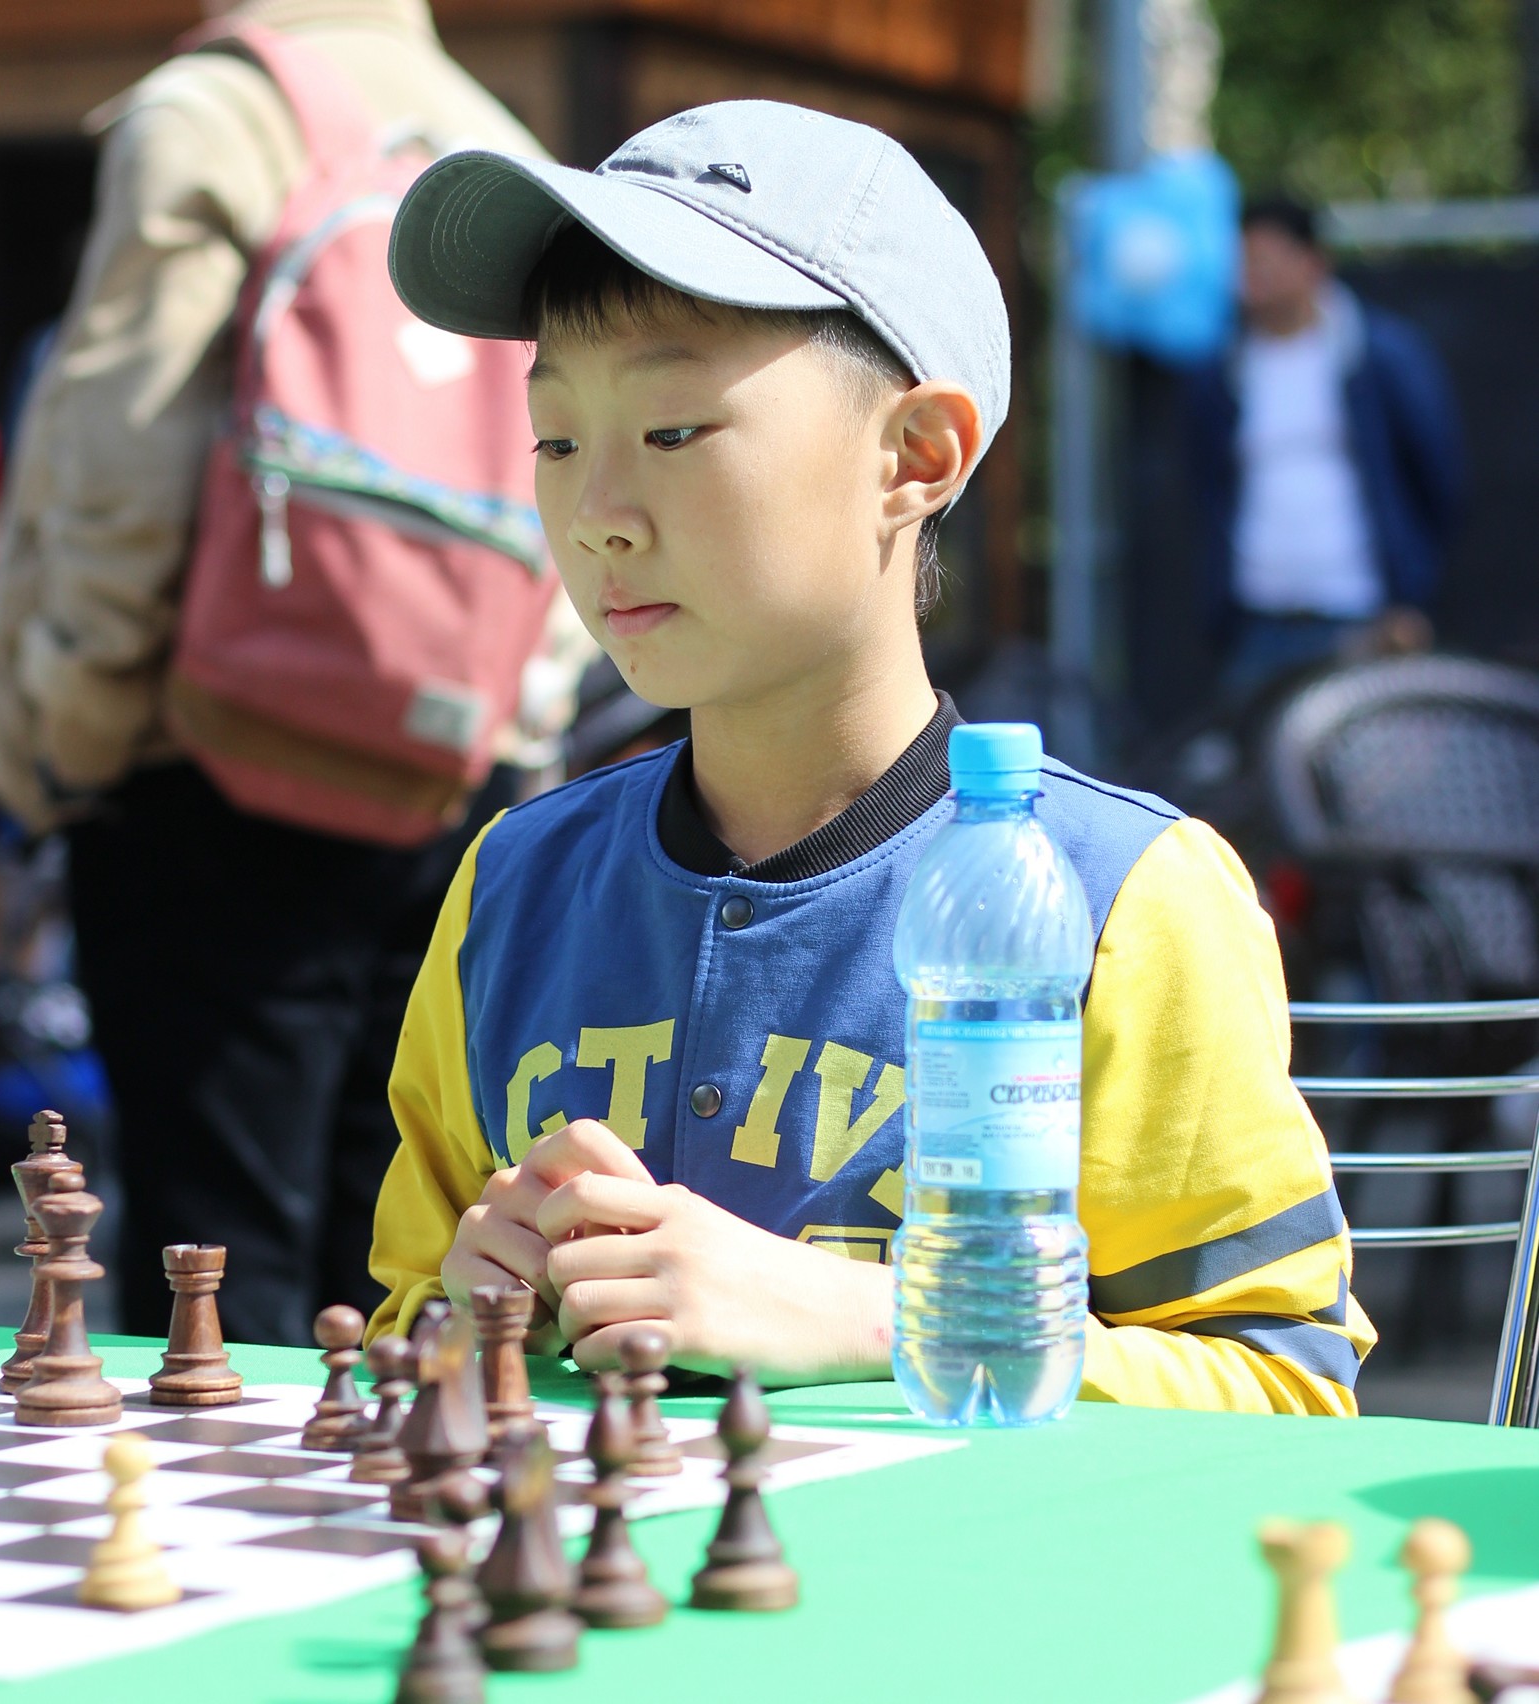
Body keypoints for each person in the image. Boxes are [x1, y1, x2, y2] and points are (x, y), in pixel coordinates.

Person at [366, 101, 1377, 1415]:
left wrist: (891, 1319)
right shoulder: (514, 883)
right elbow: (392, 1319)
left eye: (673, 431)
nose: (597, 515)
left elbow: (1284, 1389)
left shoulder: (1126, 899)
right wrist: (474, 1302)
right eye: (556, 440)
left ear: (915, 455)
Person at [0, 0, 559, 1346]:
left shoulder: (215, 116)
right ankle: (412, 1550)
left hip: (209, 764)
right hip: (447, 774)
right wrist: (507, 736)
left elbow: (120, 471)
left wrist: (73, 738)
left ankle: (227, 1553)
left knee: (211, 1274)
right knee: (396, 1252)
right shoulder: (494, 147)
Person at [1186, 197, 1465, 698]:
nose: (1254, 276)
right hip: (1257, 626)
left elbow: (1435, 477)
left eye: (1267, 260)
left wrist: (1411, 598)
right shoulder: (1221, 371)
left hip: (1365, 624)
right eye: (1245, 261)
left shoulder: (1384, 356)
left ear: (1313, 262)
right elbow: (1209, 483)